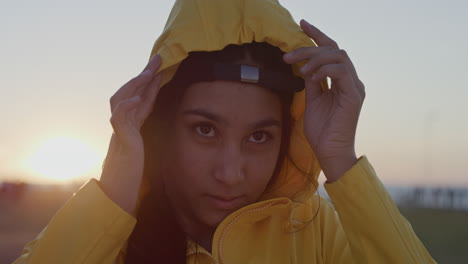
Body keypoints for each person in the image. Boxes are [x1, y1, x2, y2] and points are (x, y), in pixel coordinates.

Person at [13, 0, 436, 263]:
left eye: (259, 137)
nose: (231, 173)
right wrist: (112, 198)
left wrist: (341, 157)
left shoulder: (313, 233)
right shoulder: (107, 239)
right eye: (205, 129)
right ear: (159, 125)